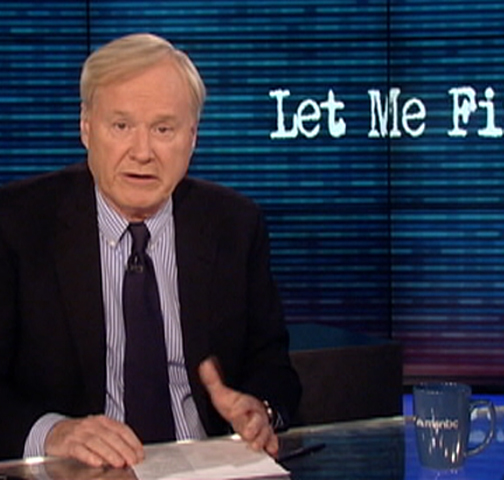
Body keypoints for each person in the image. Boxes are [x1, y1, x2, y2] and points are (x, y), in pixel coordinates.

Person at [0, 33, 301, 468]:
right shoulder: (17, 225)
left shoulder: (235, 225)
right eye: (121, 126)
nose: (142, 153)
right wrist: (53, 432)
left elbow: (273, 366)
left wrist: (261, 410)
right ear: (86, 127)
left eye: (163, 129)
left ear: (192, 137)